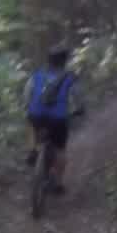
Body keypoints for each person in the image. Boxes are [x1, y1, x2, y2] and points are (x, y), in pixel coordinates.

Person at [23, 48, 83, 193]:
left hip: (36, 115)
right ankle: (58, 184)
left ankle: (32, 150)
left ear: (49, 60)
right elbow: (77, 97)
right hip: (58, 119)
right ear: (64, 61)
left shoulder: (37, 75)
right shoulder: (70, 78)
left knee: (31, 123)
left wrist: (27, 106)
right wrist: (79, 109)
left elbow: (27, 94)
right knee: (60, 149)